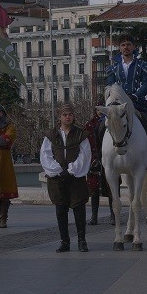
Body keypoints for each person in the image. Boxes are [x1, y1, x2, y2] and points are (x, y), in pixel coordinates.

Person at [105, 34, 147, 172]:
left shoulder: (143, 65)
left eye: (128, 44)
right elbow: (110, 85)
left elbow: (146, 85)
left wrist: (134, 96)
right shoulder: (113, 67)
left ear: (134, 47)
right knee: (98, 126)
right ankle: (98, 159)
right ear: (119, 48)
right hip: (117, 105)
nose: (126, 47)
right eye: (123, 45)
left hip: (137, 102)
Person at [40, 102, 92, 252]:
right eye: (65, 115)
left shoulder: (81, 134)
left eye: (70, 114)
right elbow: (45, 155)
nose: (68, 117)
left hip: (76, 177)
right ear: (60, 117)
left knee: (79, 208)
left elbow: (85, 155)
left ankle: (82, 241)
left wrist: (70, 170)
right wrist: (58, 171)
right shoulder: (51, 135)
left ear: (73, 116)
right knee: (60, 209)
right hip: (57, 178)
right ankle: (65, 242)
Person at [84, 101, 116, 226]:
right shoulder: (89, 125)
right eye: (99, 110)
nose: (100, 113)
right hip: (94, 159)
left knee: (111, 188)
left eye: (103, 110)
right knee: (94, 190)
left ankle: (113, 215)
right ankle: (94, 216)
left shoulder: (112, 123)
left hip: (109, 159)